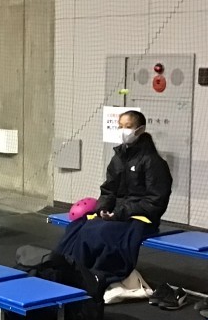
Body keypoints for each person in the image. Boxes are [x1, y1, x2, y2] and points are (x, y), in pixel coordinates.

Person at [55, 110, 173, 285]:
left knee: (99, 232)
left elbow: (155, 201)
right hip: (117, 215)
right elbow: (108, 190)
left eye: (128, 126)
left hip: (140, 218)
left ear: (140, 130)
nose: (123, 130)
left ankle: (93, 276)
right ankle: (64, 268)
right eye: (120, 126)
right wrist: (102, 208)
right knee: (78, 226)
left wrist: (120, 212)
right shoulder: (118, 158)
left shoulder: (153, 161)